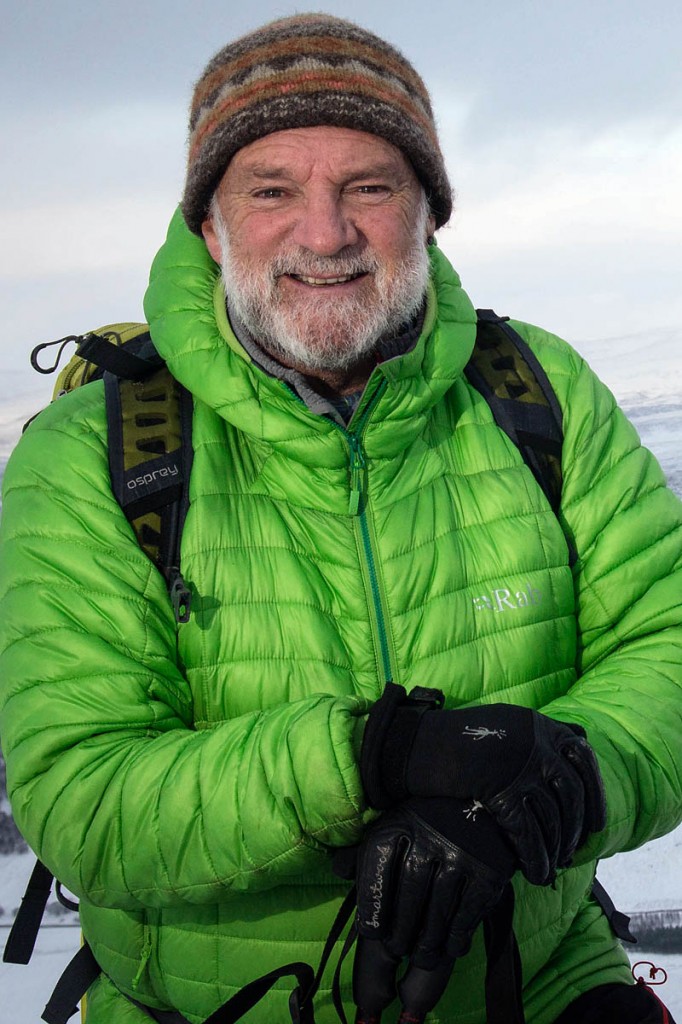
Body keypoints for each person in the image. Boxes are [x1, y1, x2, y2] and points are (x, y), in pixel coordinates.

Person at [0, 13, 681, 1024]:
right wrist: (370, 758)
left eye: (369, 187)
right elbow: (83, 796)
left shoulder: (537, 392)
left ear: (429, 215)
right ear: (209, 226)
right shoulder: (95, 454)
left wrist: (546, 787)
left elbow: (666, 644)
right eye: (271, 190)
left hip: (533, 981)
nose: (324, 235)